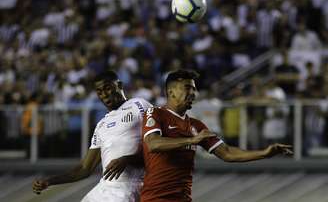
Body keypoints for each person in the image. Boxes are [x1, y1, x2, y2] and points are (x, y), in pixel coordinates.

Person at [140, 69, 292, 202]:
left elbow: (227, 153)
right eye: (188, 88)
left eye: (194, 89)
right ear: (171, 91)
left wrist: (264, 153)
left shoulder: (196, 125)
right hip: (155, 198)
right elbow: (154, 144)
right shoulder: (155, 113)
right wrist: (192, 140)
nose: (193, 93)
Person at [32, 70, 152, 202]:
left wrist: (127, 159)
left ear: (119, 85)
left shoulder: (139, 105)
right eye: (99, 92)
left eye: (107, 88)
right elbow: (85, 168)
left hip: (128, 188)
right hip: (104, 188)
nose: (104, 95)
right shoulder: (101, 125)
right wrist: (49, 182)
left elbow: (155, 145)